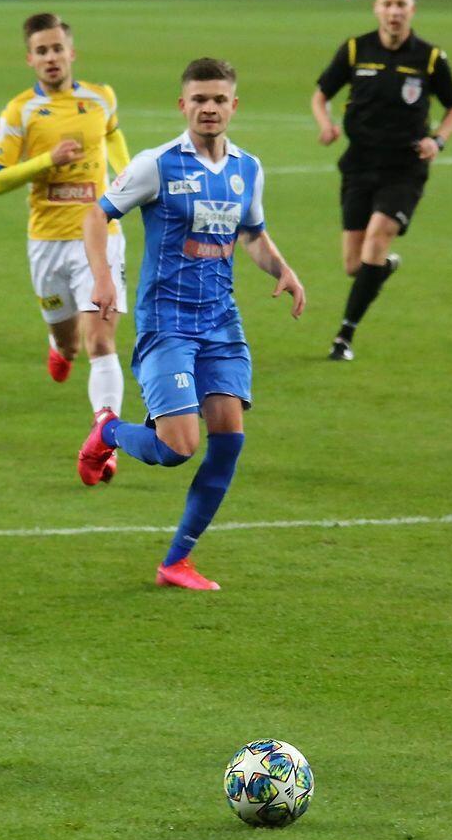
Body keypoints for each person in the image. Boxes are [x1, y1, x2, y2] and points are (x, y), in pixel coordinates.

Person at [78, 58, 305, 591]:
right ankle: (108, 430)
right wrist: (103, 278)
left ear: (233, 106)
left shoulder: (248, 168)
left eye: (219, 99)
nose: (209, 108)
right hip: (168, 323)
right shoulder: (156, 165)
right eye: (199, 99)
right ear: (183, 105)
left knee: (228, 439)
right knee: (177, 448)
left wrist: (283, 269)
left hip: (222, 322)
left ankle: (176, 561)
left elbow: (252, 234)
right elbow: (97, 215)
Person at [0, 12, 132, 478]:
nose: (51, 57)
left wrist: (128, 181)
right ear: (30, 59)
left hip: (100, 236)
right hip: (47, 242)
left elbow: (113, 138)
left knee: (100, 340)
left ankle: (105, 439)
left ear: (72, 52)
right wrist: (47, 161)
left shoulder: (100, 98)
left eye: (57, 48)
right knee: (71, 343)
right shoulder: (20, 112)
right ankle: (58, 345)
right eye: (42, 51)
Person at [311, 0, 452, 361]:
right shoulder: (355, 49)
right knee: (354, 265)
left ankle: (344, 337)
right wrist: (325, 125)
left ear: (412, 9)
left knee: (378, 236)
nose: (394, 12)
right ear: (376, 8)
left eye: (401, 5)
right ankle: (382, 267)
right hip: (359, 164)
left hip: (404, 168)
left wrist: (438, 141)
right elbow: (320, 94)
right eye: (388, 4)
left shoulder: (430, 58)